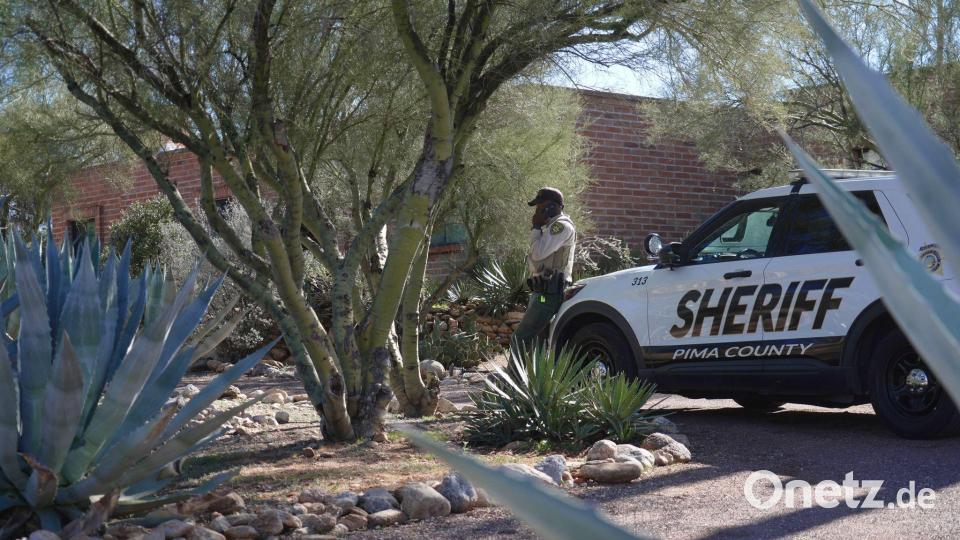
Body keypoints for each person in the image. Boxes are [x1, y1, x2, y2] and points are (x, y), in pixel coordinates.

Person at [511, 187, 576, 354]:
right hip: (542, 291)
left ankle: (512, 378)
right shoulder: (550, 227)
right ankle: (533, 379)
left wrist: (536, 228)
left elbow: (538, 254)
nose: (537, 210)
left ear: (552, 207)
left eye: (540, 206)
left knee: (520, 338)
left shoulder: (560, 227)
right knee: (538, 342)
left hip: (549, 293)